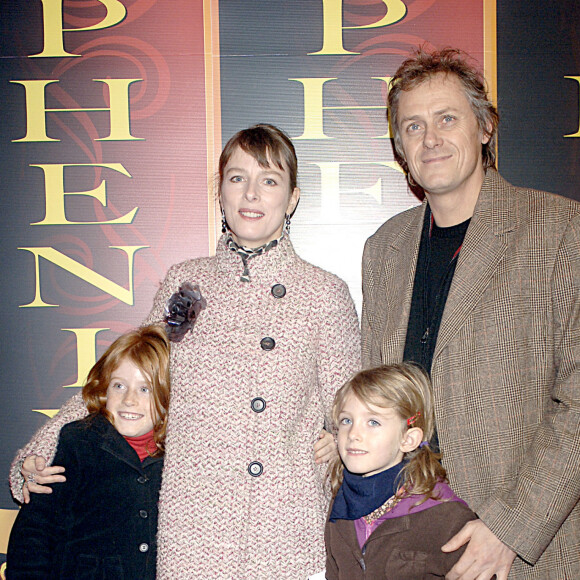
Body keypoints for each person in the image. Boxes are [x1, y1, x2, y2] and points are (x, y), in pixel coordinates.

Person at [9, 124, 361, 579]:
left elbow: (352, 408)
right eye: (237, 178)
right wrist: (42, 447)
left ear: (292, 198)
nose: (251, 193)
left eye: (269, 180)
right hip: (194, 525)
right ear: (220, 192)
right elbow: (131, 377)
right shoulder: (188, 286)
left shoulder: (324, 293)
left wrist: (340, 437)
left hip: (284, 523)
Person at [361, 47, 580, 579]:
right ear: (400, 148)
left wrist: (510, 528)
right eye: (413, 126)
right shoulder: (383, 248)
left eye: (447, 118)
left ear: (485, 128)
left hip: (518, 551)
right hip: (402, 542)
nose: (429, 138)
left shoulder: (558, 229)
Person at [6, 325, 170, 579]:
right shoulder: (78, 443)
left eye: (145, 389)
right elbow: (34, 533)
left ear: (167, 397)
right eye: (119, 386)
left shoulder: (179, 456)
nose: (129, 400)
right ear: (104, 389)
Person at [325, 364, 476, 579]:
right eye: (346, 420)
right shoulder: (340, 508)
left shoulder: (445, 516)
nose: (353, 434)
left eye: (373, 422)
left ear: (408, 439)